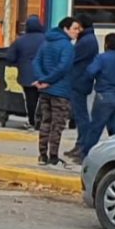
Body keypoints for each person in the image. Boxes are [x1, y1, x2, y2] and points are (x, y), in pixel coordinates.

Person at [32, 17, 81, 166]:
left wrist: (42, 80)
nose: (77, 32)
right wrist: (48, 80)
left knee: (45, 122)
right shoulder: (67, 46)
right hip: (60, 91)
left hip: (45, 90)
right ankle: (53, 155)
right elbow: (63, 67)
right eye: (75, 28)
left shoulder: (46, 42)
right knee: (57, 125)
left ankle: (42, 155)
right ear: (65, 28)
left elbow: (36, 62)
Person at [64, 13, 98, 159]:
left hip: (79, 81)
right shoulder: (86, 39)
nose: (76, 30)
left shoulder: (86, 41)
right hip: (79, 80)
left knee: (81, 115)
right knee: (79, 115)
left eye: (78, 27)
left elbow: (72, 58)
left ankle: (83, 145)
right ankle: (80, 144)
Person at [4, 15, 46, 128]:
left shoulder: (20, 40)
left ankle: (32, 120)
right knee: (44, 99)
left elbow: (10, 57)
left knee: (30, 99)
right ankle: (42, 120)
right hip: (44, 74)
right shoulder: (46, 39)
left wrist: (17, 63)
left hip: (26, 74)